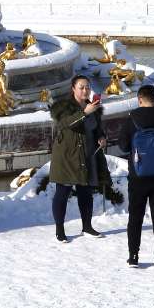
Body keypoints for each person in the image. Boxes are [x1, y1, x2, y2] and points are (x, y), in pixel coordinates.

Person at [118, 85, 154, 268]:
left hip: (138, 175)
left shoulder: (132, 119)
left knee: (135, 216)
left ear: (139, 100)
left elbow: (123, 146)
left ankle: (133, 256)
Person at [49, 75, 110, 242]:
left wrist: (101, 137)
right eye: (81, 87)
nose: (85, 90)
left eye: (87, 87)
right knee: (62, 193)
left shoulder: (93, 107)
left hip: (88, 155)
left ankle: (87, 227)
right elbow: (65, 124)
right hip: (68, 157)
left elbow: (96, 128)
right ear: (73, 89)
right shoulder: (63, 107)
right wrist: (84, 113)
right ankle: (59, 230)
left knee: (86, 192)